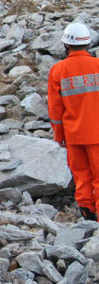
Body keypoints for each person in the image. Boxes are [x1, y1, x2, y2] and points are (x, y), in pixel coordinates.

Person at [48, 22, 99, 221]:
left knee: (81, 174)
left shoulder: (58, 70)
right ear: (87, 44)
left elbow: (55, 109)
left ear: (66, 45)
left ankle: (86, 210)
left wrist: (59, 135)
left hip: (74, 133)